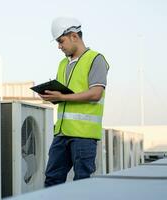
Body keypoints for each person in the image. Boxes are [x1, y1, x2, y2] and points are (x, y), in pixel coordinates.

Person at [40, 17, 109, 187]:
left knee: (82, 184)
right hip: (62, 134)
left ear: (74, 36)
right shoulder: (63, 64)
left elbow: (96, 93)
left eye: (61, 41)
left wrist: (62, 97)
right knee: (52, 180)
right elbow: (63, 95)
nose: (59, 46)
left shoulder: (96, 59)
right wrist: (50, 96)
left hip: (83, 136)